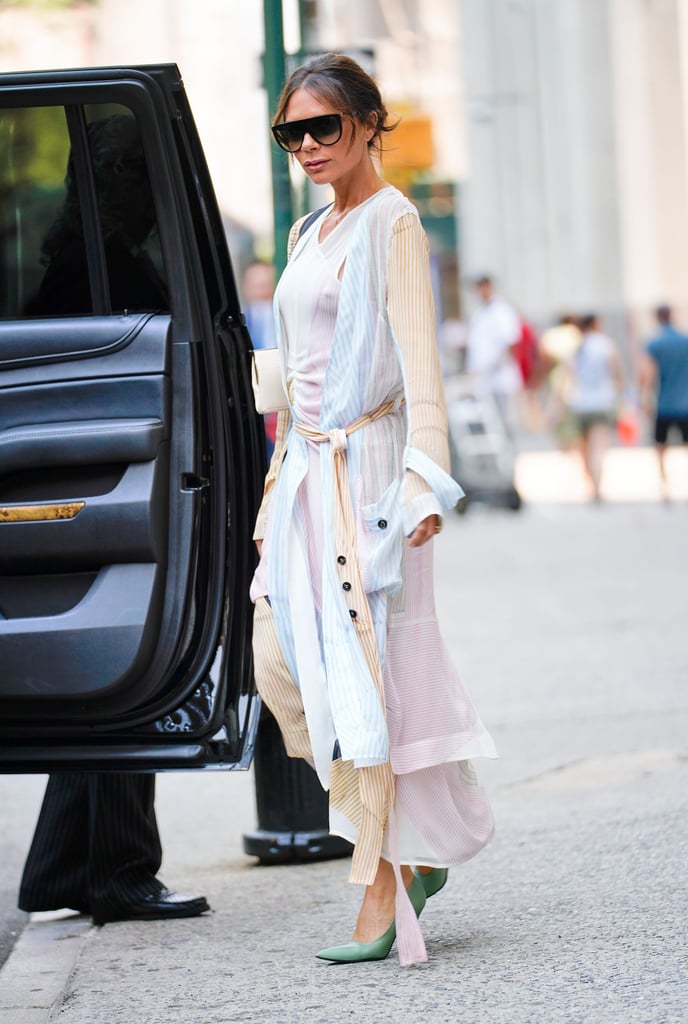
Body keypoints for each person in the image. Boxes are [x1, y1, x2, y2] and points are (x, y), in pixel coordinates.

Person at [250, 53, 496, 966]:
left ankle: (383, 883)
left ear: (366, 123)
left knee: (371, 681)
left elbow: (418, 363)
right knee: (281, 658)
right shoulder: (315, 227)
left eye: (324, 127)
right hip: (308, 475)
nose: (308, 146)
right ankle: (411, 847)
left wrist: (426, 484)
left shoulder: (392, 223)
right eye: (292, 133)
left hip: (376, 478)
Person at [18, 115, 209, 926]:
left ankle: (63, 871)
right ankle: (120, 874)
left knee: (108, 672)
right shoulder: (110, 275)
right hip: (110, 496)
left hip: (87, 496)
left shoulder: (69, 267)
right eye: (139, 188)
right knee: (135, 671)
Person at [566, 313, 622, 502]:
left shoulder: (578, 346)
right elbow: (616, 374)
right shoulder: (604, 344)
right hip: (601, 401)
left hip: (580, 402)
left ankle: (590, 485)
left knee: (585, 448)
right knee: (598, 448)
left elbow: (569, 375)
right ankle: (597, 488)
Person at [640, 304, 688, 501]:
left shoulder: (655, 344)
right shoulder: (685, 341)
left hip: (664, 403)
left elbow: (649, 374)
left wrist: (644, 397)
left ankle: (665, 486)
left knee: (661, 445)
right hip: (685, 403)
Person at [465, 274, 523, 433]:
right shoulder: (480, 313)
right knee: (489, 429)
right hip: (483, 381)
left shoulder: (502, 310)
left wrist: (494, 367)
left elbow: (511, 343)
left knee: (503, 426)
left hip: (499, 380)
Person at [242, 260, 279, 459]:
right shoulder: (243, 323)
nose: (262, 291)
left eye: (266, 284)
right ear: (246, 288)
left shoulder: (282, 317)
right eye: (257, 285)